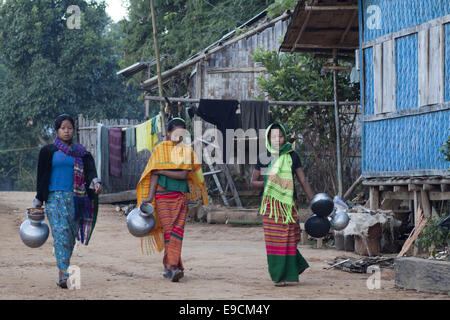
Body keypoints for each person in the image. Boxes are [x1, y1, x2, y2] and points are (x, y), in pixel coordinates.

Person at [33, 114, 102, 288]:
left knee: (70, 238)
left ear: (74, 130)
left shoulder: (82, 153)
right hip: (54, 199)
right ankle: (64, 274)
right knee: (61, 235)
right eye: (63, 128)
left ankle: (62, 270)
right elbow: (41, 177)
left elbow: (90, 172)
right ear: (57, 130)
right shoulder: (48, 151)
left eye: (69, 128)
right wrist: (38, 199)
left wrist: (95, 182)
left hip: (77, 199)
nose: (66, 131)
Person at [137, 118, 209, 282]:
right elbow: (153, 174)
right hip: (162, 196)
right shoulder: (160, 149)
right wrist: (149, 197)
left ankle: (171, 266)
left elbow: (183, 175)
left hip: (180, 196)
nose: (179, 136)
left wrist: (162, 171)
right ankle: (173, 267)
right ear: (168, 133)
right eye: (175, 133)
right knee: (169, 231)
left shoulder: (186, 151)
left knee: (176, 232)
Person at [250, 123, 314, 286]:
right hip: (271, 207)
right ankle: (278, 276)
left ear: (285, 137)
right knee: (275, 242)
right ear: (268, 139)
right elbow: (253, 181)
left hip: (288, 205)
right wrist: (270, 182)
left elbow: (303, 180)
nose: (277, 140)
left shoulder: (293, 156)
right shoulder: (264, 157)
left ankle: (293, 268)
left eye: (280, 136)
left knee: (290, 239)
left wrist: (314, 202)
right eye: (273, 137)